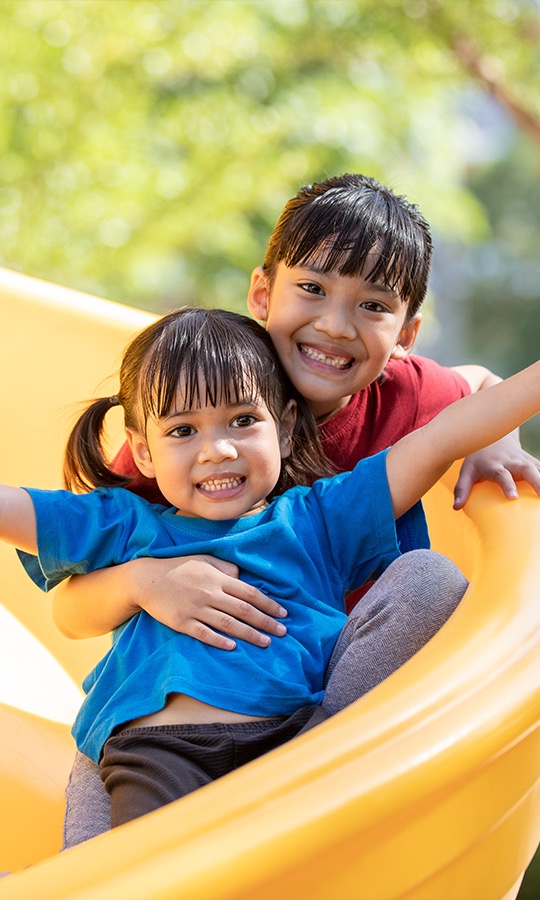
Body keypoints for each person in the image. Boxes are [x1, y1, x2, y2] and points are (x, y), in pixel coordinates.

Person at [54, 174, 540, 841]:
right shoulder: (193, 408)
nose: (335, 326)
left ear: (407, 333)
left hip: (326, 689)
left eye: (373, 305)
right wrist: (145, 581)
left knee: (431, 579)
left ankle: (303, 768)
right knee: (104, 796)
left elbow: (481, 388)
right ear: (263, 292)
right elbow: (70, 606)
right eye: (311, 288)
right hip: (181, 701)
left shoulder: (403, 394)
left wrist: (496, 442)